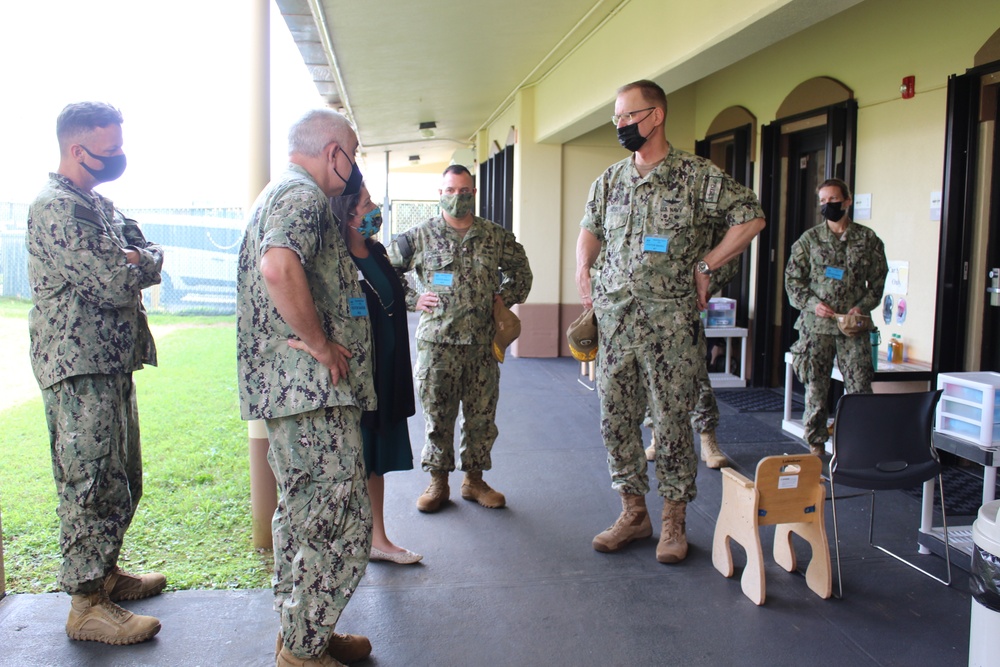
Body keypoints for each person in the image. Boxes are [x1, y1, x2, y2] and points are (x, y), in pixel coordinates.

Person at [576, 80, 765, 564]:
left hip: (671, 325)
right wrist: (583, 266)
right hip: (617, 322)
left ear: (656, 116)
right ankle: (633, 513)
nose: (620, 125)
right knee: (615, 420)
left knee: (673, 421)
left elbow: (751, 218)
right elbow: (591, 229)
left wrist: (706, 264)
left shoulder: (697, 176)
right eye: (616, 117)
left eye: (627, 116)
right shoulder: (611, 180)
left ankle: (674, 521)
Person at [236, 108, 376, 667]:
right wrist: (319, 342)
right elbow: (277, 266)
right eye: (354, 153)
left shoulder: (279, 193)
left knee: (303, 515)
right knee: (339, 516)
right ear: (332, 152)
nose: (355, 165)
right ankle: (302, 650)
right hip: (311, 392)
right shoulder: (304, 198)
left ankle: (305, 630)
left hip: (294, 395)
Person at [26, 101, 165, 645]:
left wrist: (136, 259)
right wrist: (130, 260)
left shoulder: (97, 203)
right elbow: (111, 280)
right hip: (77, 367)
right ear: (75, 148)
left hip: (109, 361)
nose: (117, 157)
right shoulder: (56, 207)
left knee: (123, 477)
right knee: (88, 483)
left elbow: (150, 254)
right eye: (108, 151)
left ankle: (104, 574)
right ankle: (86, 604)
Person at [388, 164, 532, 513]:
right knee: (438, 415)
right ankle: (438, 482)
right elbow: (387, 270)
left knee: (481, 416)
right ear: (440, 194)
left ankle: (475, 481)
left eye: (464, 191)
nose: (457, 197)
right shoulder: (418, 236)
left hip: (483, 345)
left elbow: (522, 272)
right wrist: (413, 299)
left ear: (474, 193)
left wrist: (503, 299)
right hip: (437, 345)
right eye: (450, 191)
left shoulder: (494, 236)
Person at [329, 185, 421, 565]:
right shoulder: (333, 260)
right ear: (349, 215)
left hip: (384, 372)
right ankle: (339, 544)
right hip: (351, 379)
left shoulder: (379, 253)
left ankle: (377, 538)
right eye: (366, 204)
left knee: (376, 458)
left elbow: (395, 297)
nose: (374, 209)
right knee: (352, 459)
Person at [785, 177, 888, 457]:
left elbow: (878, 281)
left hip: (852, 327)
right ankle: (815, 443)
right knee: (816, 387)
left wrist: (863, 306)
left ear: (847, 201)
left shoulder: (867, 240)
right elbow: (793, 281)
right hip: (817, 326)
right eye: (823, 201)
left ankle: (856, 443)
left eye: (833, 200)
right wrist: (811, 304)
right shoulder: (809, 240)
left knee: (859, 386)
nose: (827, 206)